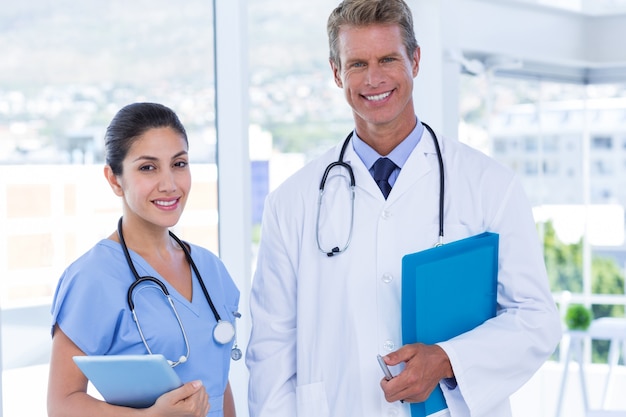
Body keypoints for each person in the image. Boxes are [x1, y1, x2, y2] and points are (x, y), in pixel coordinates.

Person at [245, 1, 561, 416]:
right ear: (337, 72)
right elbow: (271, 350)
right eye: (356, 64)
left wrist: (449, 359)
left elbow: (536, 320)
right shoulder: (291, 202)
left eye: (388, 59)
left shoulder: (489, 185)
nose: (373, 78)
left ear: (414, 59)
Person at [47, 102, 240, 417]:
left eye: (179, 164)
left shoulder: (209, 269)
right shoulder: (92, 277)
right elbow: (62, 404)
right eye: (148, 167)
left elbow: (217, 385)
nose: (169, 184)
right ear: (114, 179)